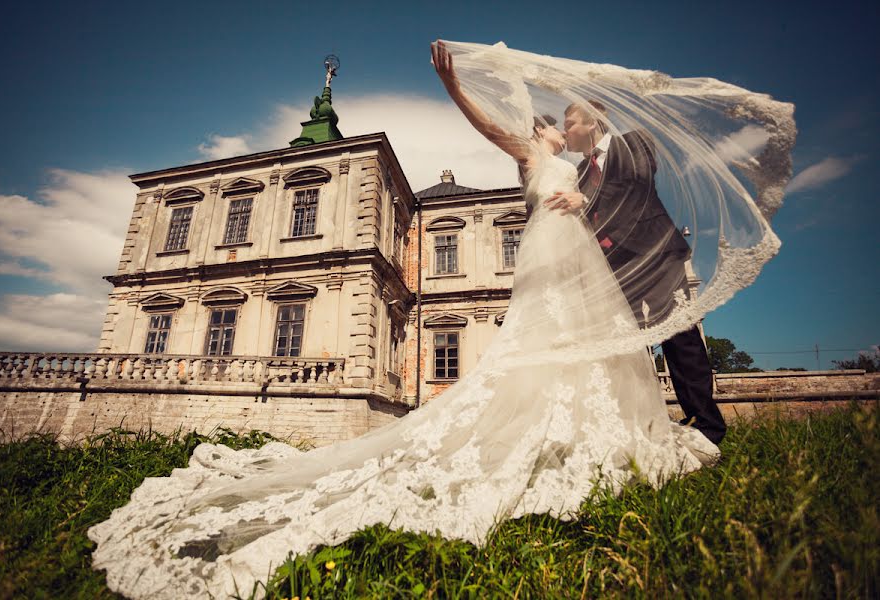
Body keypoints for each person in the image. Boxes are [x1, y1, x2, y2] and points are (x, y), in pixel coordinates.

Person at [87, 40, 794, 599]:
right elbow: (494, 125)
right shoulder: (535, 157)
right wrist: (456, 86)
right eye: (555, 127)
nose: (559, 130)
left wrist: (587, 206)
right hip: (558, 267)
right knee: (551, 350)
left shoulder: (608, 159)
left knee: (630, 350)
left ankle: (675, 429)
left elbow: (631, 193)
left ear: (585, 127)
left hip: (615, 264)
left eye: (566, 124)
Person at [543, 100, 727, 445]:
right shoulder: (579, 173)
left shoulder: (635, 143)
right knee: (623, 341)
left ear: (593, 122)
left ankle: (706, 426)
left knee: (679, 336)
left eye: (570, 123)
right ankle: (641, 422)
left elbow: (637, 184)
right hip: (612, 266)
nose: (566, 131)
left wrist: (586, 199)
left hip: (656, 253)